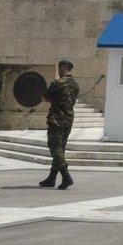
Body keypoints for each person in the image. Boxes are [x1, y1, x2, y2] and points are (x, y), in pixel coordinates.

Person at [38, 59, 79, 190]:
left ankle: (66, 176)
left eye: (59, 68)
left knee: (55, 148)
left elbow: (44, 97)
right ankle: (51, 178)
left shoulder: (57, 83)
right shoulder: (75, 84)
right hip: (68, 119)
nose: (58, 71)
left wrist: (54, 101)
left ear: (62, 68)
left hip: (57, 119)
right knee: (60, 148)